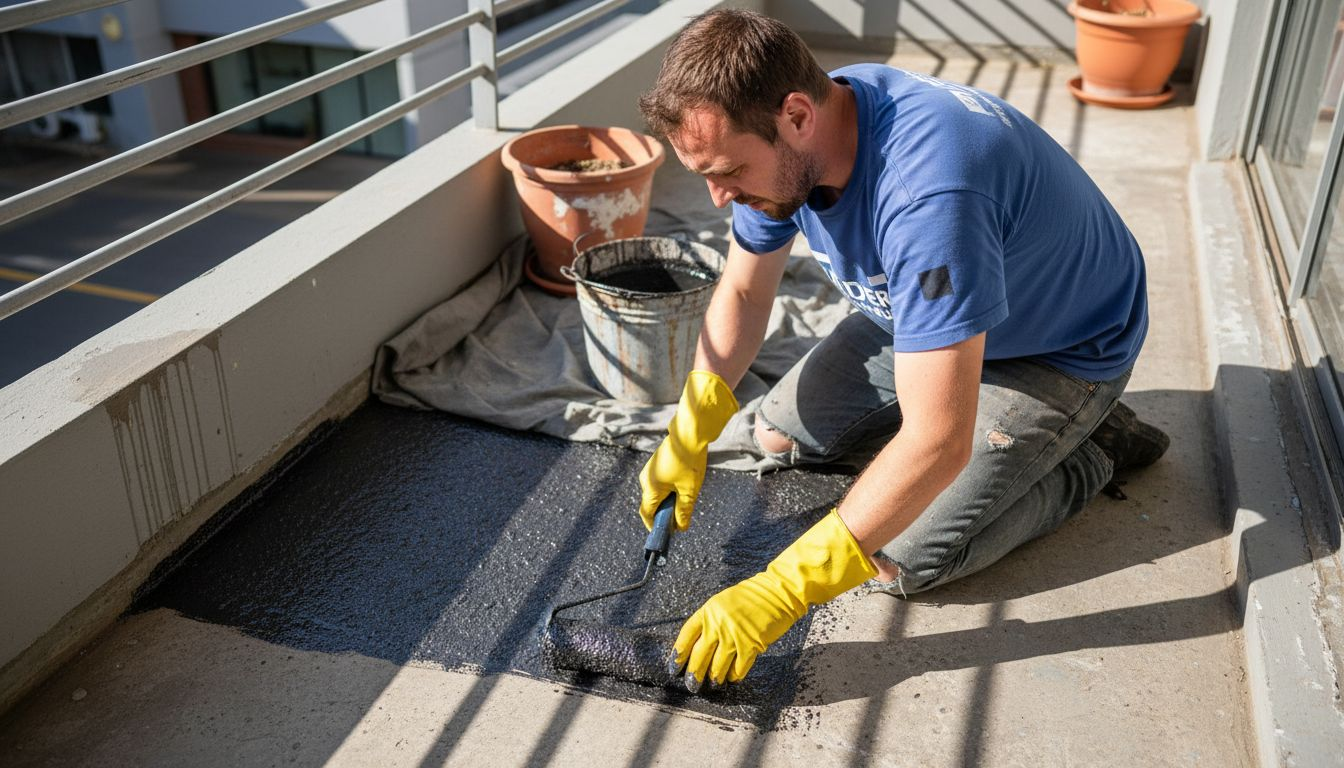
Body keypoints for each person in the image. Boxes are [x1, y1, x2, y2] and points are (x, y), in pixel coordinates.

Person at [634, 9, 1170, 692]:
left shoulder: (928, 195)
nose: (718, 197)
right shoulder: (809, 123)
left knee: (898, 556)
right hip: (928, 311)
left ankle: (1088, 449)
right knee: (773, 435)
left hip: (1060, 346)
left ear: (796, 115)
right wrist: (691, 425)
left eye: (731, 170)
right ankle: (986, 409)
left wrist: (782, 588)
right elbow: (742, 293)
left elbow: (938, 440)